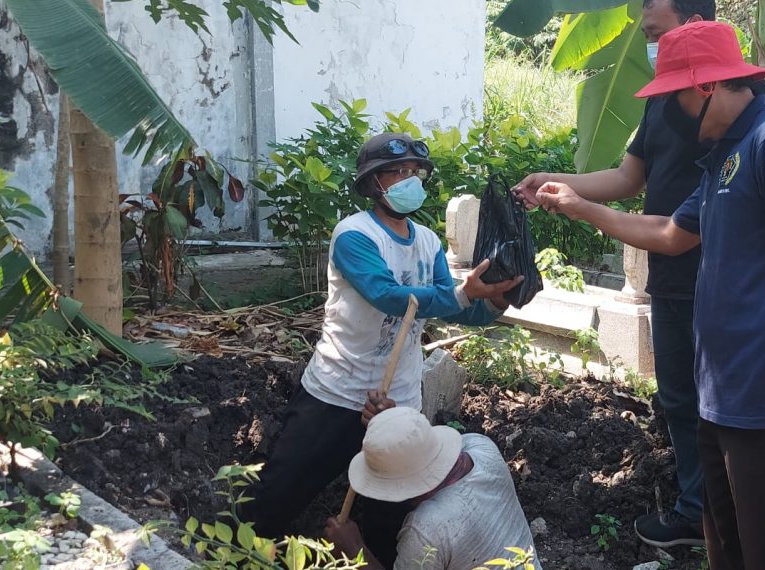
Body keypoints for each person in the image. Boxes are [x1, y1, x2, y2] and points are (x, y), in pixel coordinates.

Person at [534, 21, 765, 569]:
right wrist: (579, 205)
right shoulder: (727, 154)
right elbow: (672, 235)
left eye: (672, 94)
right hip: (721, 391)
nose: (668, 110)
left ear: (704, 87)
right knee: (726, 543)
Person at [241, 133, 523, 567]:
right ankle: (238, 553)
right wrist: (465, 294)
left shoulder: (427, 241)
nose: (411, 180)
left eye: (416, 173)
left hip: (398, 404)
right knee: (282, 490)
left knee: (386, 514)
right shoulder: (354, 236)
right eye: (399, 172)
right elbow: (389, 296)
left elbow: (450, 306)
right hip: (336, 395)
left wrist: (495, 301)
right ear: (374, 183)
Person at [513, 0, 718, 548]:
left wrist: (584, 209)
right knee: (677, 395)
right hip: (671, 275)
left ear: (694, 27)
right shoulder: (659, 105)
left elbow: (682, 228)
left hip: (722, 280)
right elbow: (630, 176)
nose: (651, 47)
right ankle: (697, 509)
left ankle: (723, 511)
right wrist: (554, 181)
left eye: (656, 33)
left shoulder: (725, 103)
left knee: (720, 400)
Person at [324, 407, 540, 570]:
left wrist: (353, 550)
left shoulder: (427, 529)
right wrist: (396, 429)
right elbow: (419, 451)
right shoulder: (482, 447)